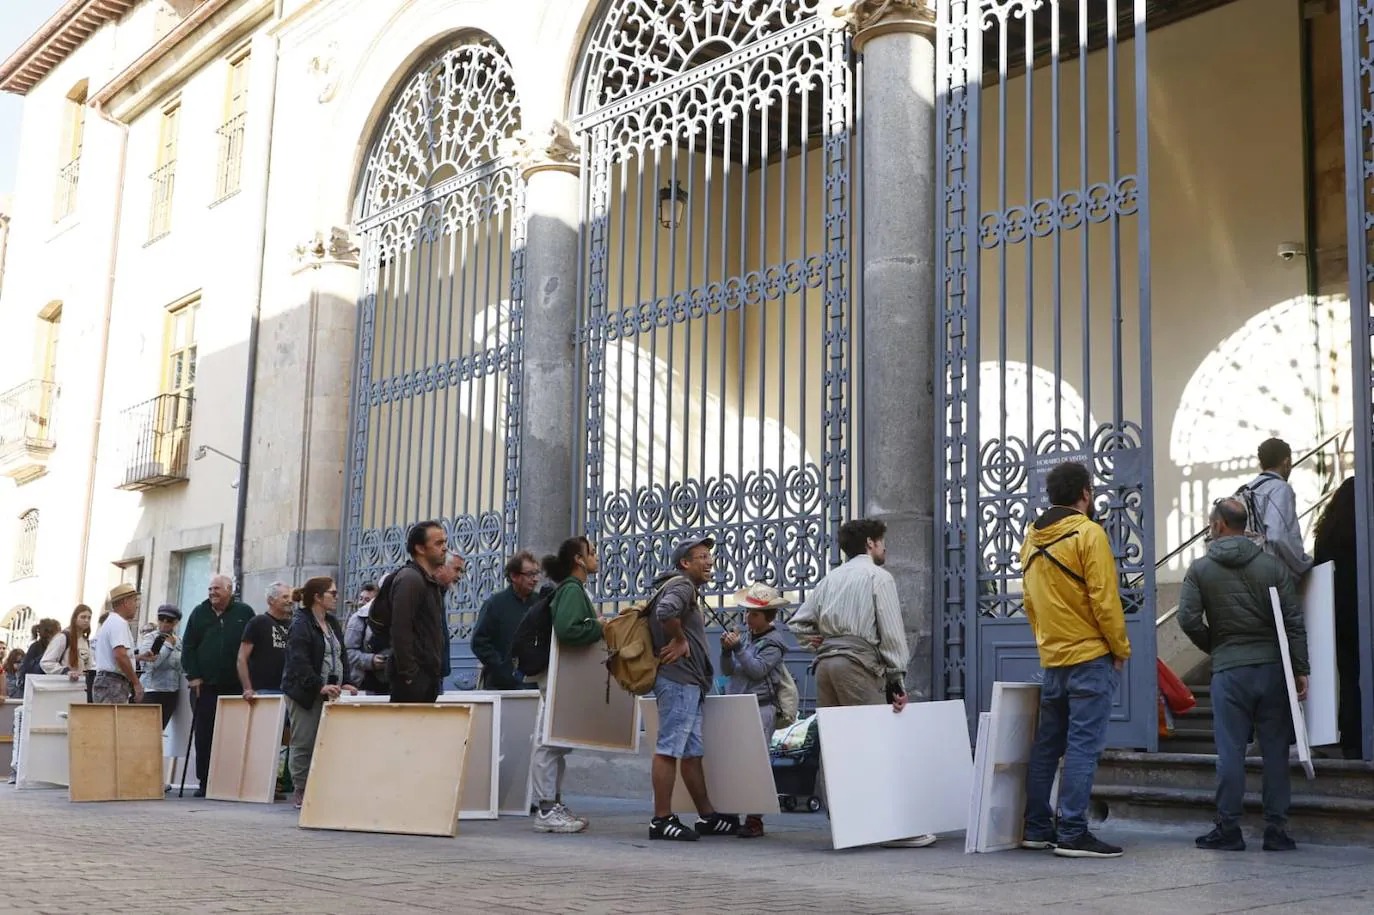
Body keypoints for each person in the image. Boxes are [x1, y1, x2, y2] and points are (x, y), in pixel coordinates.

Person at [790, 518, 932, 849]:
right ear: (870, 543)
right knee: (875, 744)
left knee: (837, 746)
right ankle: (891, 828)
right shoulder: (877, 577)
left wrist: (818, 639)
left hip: (825, 664)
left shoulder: (830, 579)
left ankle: (845, 822)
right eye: (882, 542)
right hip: (857, 664)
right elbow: (892, 633)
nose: (885, 548)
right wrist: (896, 679)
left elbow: (798, 623)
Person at [1179, 497, 1308, 852]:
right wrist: (1300, 668)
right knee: (1275, 752)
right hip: (1271, 669)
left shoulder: (1200, 569)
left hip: (1229, 672)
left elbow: (1188, 619)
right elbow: (1293, 622)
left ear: (1218, 525)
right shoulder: (1272, 567)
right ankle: (1277, 831)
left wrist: (1216, 647)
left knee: (1231, 752)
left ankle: (1228, 829)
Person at [1018, 461, 1130, 859]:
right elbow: (1104, 600)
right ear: (1085, 493)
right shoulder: (1088, 533)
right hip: (1089, 656)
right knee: (1083, 746)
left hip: (1053, 659)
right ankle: (1071, 830)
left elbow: (1030, 604)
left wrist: (1047, 644)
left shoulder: (1031, 541)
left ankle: (1036, 827)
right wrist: (1119, 648)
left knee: (1047, 746)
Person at [645, 535, 740, 842]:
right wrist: (680, 640)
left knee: (690, 752)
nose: (709, 561)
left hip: (688, 683)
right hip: (678, 679)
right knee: (669, 749)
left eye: (709, 556)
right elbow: (665, 614)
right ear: (685, 563)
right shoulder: (682, 585)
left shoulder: (683, 588)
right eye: (702, 556)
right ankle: (661, 820)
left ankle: (707, 815)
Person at [529, 537, 602, 834]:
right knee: (549, 743)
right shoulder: (572, 590)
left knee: (556, 743)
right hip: (557, 675)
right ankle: (546, 809)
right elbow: (569, 629)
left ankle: (552, 805)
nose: (596, 557)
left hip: (562, 674)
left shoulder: (574, 589)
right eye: (592, 552)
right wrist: (600, 626)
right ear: (579, 559)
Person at [720, 580, 791, 839]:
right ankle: (731, 813)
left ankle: (754, 818)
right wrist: (727, 652)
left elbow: (757, 670)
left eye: (754, 613)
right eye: (748, 612)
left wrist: (737, 649)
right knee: (736, 762)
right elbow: (728, 671)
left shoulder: (774, 643)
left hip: (760, 708)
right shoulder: (748, 636)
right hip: (738, 706)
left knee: (756, 763)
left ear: (768, 616)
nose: (748, 617)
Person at [281, 576, 357, 808]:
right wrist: (317, 684)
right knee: (304, 740)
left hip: (330, 690)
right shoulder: (301, 623)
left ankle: (323, 786)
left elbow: (341, 654)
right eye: (332, 593)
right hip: (305, 691)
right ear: (317, 596)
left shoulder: (332, 622)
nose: (336, 597)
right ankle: (301, 790)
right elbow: (298, 660)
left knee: (326, 741)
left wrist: (346, 681)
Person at [182, 575, 256, 797]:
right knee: (205, 734)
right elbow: (188, 646)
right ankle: (205, 781)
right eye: (210, 588)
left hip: (234, 685)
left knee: (233, 734)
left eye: (217, 589)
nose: (212, 592)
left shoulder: (245, 613)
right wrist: (193, 676)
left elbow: (252, 648)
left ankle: (232, 780)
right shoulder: (199, 612)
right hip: (205, 686)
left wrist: (249, 682)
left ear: (229, 590)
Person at [1313, 478, 1361, 759]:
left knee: (1349, 677)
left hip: (1339, 613)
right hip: (1364, 608)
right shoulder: (1364, 528)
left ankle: (1352, 739)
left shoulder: (1327, 534)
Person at [388, 521, 449, 703]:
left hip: (427, 676)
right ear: (420, 548)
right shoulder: (410, 579)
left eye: (445, 542)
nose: (445, 548)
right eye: (438, 543)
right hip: (413, 680)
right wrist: (409, 674)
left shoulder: (429, 582)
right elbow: (401, 629)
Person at [1244, 438, 1314, 580]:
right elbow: (1278, 536)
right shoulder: (1280, 488)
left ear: (1261, 463)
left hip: (1248, 573)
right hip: (1273, 577)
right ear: (1286, 462)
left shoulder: (1246, 489)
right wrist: (1304, 564)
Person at [472, 551, 542, 690]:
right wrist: (502, 667)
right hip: (501, 686)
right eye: (530, 574)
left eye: (537, 574)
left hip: (533, 683)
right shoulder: (495, 604)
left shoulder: (540, 602)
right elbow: (479, 642)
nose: (535, 579)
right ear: (514, 576)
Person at [8, 619, 60, 784]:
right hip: (35, 693)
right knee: (25, 730)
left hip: (45, 694)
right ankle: (17, 770)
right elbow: (28, 672)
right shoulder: (37, 648)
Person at [238, 582, 293, 700]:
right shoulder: (258, 622)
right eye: (285, 597)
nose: (290, 601)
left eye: (290, 597)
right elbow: (242, 658)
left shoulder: (293, 625)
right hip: (264, 690)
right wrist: (248, 688)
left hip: (289, 690)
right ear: (271, 600)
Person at [92, 584, 144, 705]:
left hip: (108, 682)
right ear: (126, 602)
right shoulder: (118, 623)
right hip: (113, 683)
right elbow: (120, 655)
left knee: (107, 721)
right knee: (113, 722)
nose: (137, 605)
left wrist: (140, 657)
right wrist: (136, 682)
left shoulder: (111, 622)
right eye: (135, 600)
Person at [345, 572, 391, 694]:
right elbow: (348, 653)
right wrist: (371, 660)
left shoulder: (403, 616)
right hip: (366, 685)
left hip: (395, 684)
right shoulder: (359, 618)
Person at [138, 606, 183, 728]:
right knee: (146, 731)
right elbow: (151, 663)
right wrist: (168, 645)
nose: (164, 623)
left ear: (176, 622)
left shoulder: (179, 641)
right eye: (161, 618)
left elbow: (180, 667)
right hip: (152, 691)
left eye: (169, 620)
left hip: (171, 692)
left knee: (159, 732)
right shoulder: (150, 638)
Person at [41, 605, 95, 701]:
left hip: (81, 689)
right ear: (75, 619)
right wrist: (66, 672)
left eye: (89, 618)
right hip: (64, 688)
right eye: (83, 617)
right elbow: (46, 662)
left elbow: (88, 665)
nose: (86, 620)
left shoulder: (85, 641)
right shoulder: (63, 637)